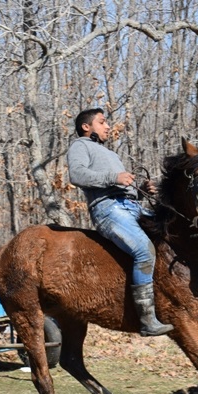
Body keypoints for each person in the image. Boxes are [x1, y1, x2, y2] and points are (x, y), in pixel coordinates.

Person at [67, 108, 173, 337]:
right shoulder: (80, 146)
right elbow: (76, 175)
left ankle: (185, 301)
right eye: (102, 122)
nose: (107, 127)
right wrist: (114, 177)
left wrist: (142, 192)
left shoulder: (110, 154)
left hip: (132, 206)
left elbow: (121, 188)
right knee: (144, 252)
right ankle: (147, 320)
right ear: (87, 126)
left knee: (172, 232)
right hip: (109, 210)